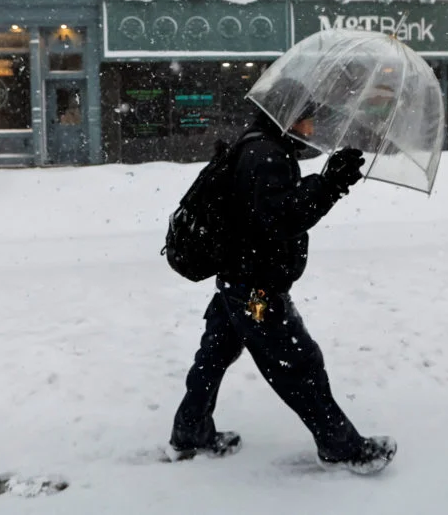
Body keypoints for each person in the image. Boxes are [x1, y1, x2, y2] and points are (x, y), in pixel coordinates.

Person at [166, 85, 397, 475]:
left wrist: (325, 178)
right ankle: (340, 446)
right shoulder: (266, 155)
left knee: (214, 355)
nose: (311, 126)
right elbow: (281, 217)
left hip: (235, 280)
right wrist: (330, 185)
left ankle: (191, 432)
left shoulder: (257, 144)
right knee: (298, 363)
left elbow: (264, 206)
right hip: (255, 288)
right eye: (307, 117)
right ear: (289, 117)